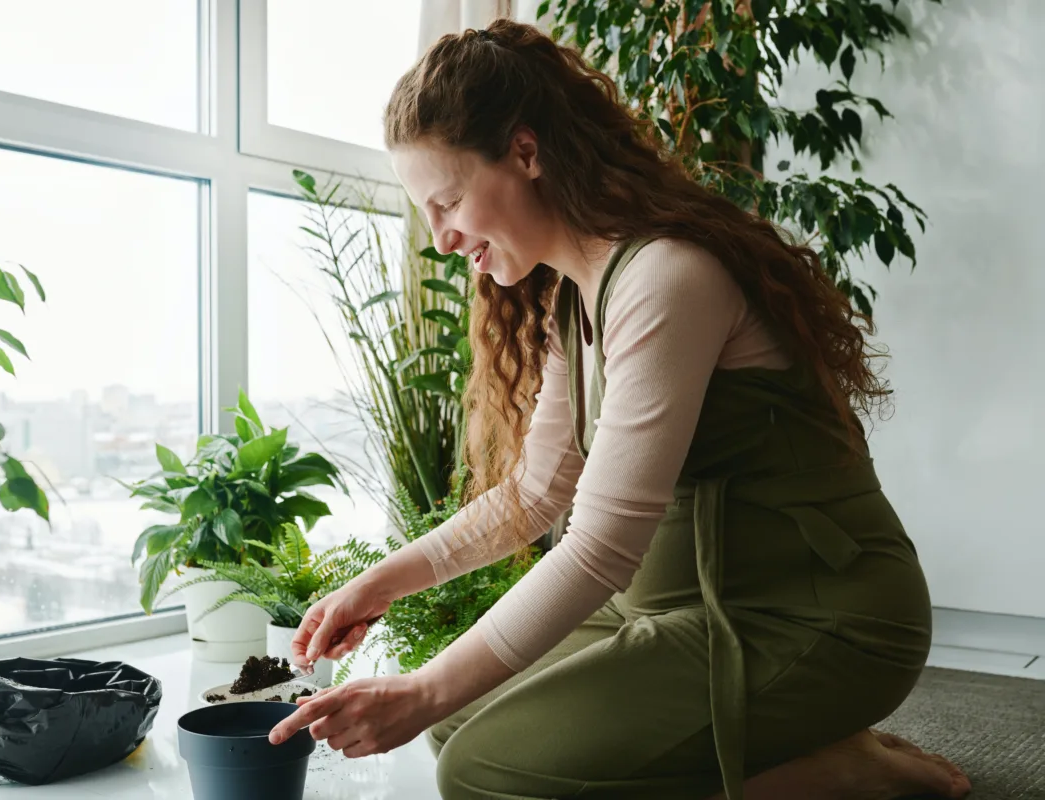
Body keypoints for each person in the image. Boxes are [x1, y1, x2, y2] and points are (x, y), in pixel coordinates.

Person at [267, 18, 970, 800]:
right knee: (454, 727)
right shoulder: (579, 297)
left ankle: (836, 774)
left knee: (480, 772)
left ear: (526, 153)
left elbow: (601, 547)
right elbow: (535, 496)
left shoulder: (667, 277)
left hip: (814, 623)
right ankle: (793, 758)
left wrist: (426, 683)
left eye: (451, 200)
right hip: (678, 616)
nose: (441, 239)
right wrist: (380, 584)